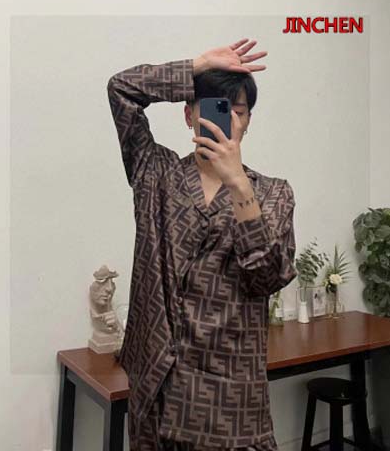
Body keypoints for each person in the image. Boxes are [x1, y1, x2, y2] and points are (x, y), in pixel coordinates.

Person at [106, 38, 297, 451]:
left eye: (238, 111)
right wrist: (197, 65)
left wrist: (238, 183)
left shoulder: (274, 194)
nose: (227, 119)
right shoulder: (155, 175)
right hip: (157, 382)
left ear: (248, 120)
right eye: (215, 108)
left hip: (228, 394)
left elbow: (267, 277)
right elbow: (121, 89)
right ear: (189, 114)